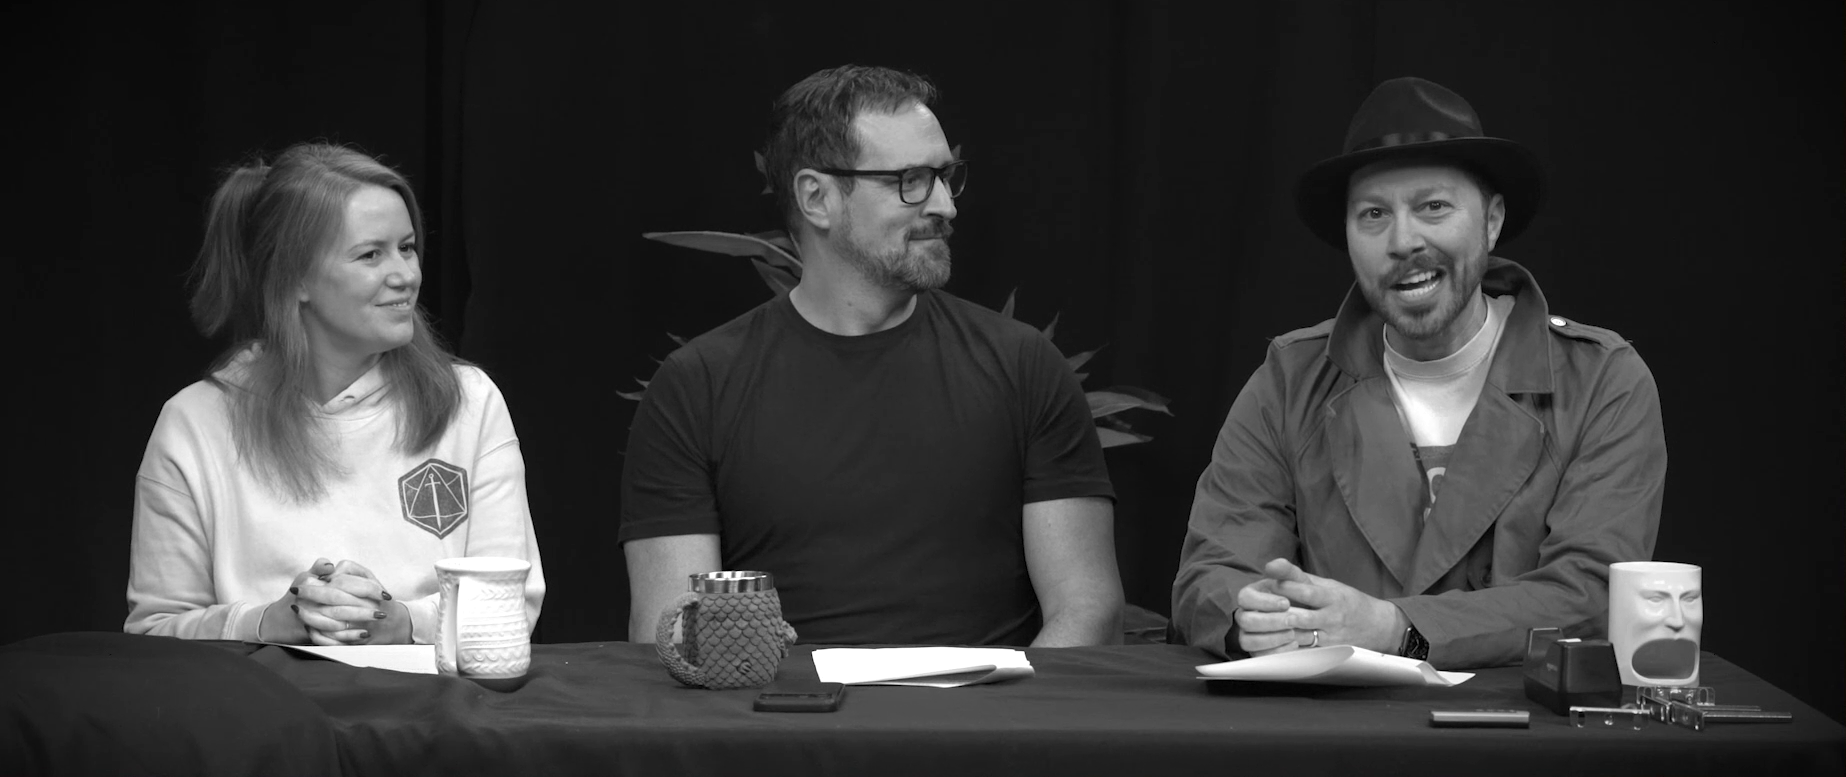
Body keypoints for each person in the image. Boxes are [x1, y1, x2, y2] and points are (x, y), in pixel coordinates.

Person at [620, 65, 1123, 647]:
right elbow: (675, 634)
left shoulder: (1024, 366)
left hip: (985, 724)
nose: (944, 206)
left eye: (944, 177)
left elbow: (1088, 612)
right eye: (910, 179)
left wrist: (995, 733)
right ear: (816, 197)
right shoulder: (696, 387)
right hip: (782, 726)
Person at [1171, 77, 1666, 669]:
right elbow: (1213, 573)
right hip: (1328, 740)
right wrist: (1252, 618)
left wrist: (1393, 627)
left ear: (1491, 221)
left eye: (1433, 206)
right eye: (1374, 214)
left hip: (1519, 740)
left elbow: (1588, 594)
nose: (1403, 241)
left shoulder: (1603, 379)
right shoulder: (1290, 378)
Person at [126, 143, 545, 645]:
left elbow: (510, 606)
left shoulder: (470, 402)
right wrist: (268, 623)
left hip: (432, 717)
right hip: (265, 718)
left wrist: (400, 622)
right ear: (294, 278)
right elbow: (154, 632)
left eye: (407, 247)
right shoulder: (195, 422)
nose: (405, 276)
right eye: (372, 254)